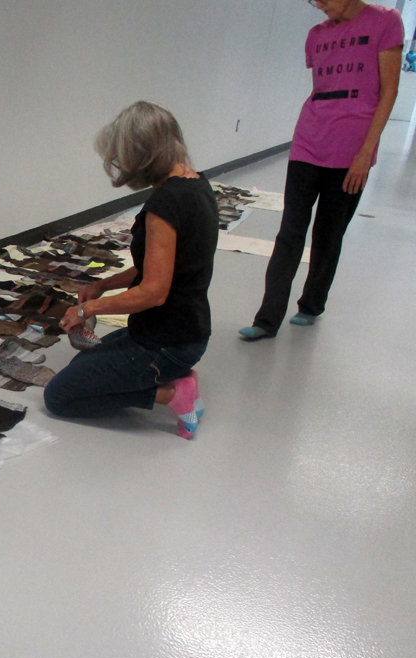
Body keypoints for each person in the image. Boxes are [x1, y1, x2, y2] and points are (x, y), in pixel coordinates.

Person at [43, 101, 218, 439]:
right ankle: (177, 378)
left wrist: (86, 309)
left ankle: (173, 393)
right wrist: (103, 285)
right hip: (186, 331)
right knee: (81, 367)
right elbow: (157, 266)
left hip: (167, 342)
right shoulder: (197, 183)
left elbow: (153, 292)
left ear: (141, 154)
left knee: (60, 396)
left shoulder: (165, 205)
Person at [240, 0, 403, 340]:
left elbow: (389, 92)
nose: (320, 6)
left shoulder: (386, 22)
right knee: (289, 232)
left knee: (328, 234)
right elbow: (322, 92)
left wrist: (366, 152)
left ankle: (311, 305)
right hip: (308, 140)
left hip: (352, 149)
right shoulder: (316, 35)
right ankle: (267, 320)